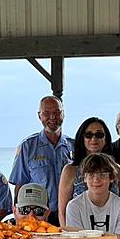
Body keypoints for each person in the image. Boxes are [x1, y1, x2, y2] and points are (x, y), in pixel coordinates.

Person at [9, 95, 73, 223]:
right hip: (39, 216)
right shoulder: (28, 146)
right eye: (46, 113)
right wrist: (19, 219)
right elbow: (20, 186)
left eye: (56, 112)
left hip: (70, 216)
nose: (52, 117)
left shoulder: (73, 146)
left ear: (63, 114)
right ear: (39, 116)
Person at [57, 116, 120, 216]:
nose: (94, 138)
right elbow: (63, 213)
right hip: (78, 230)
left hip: (113, 230)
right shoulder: (70, 170)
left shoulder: (116, 169)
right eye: (88, 135)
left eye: (99, 134)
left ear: (106, 138)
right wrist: (68, 231)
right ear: (82, 138)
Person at [64, 153, 120, 239]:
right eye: (91, 175)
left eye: (102, 174)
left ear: (111, 178)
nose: (96, 179)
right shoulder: (74, 206)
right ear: (84, 178)